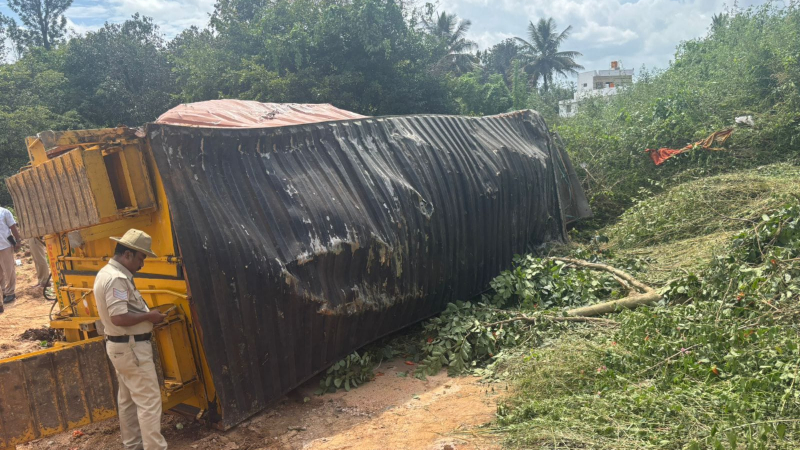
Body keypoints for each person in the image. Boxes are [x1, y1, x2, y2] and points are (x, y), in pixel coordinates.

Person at [94, 228, 168, 450]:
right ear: (127, 254)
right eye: (141, 258)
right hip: (132, 348)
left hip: (121, 348)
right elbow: (119, 317)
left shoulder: (106, 273)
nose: (142, 264)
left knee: (127, 401)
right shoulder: (117, 279)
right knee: (149, 402)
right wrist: (150, 316)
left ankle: (132, 445)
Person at [0, 206, 22, 310]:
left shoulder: (4, 212)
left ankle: (10, 293)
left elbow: (13, 227)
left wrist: (18, 240)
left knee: (9, 270)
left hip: (5, 246)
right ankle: (4, 292)